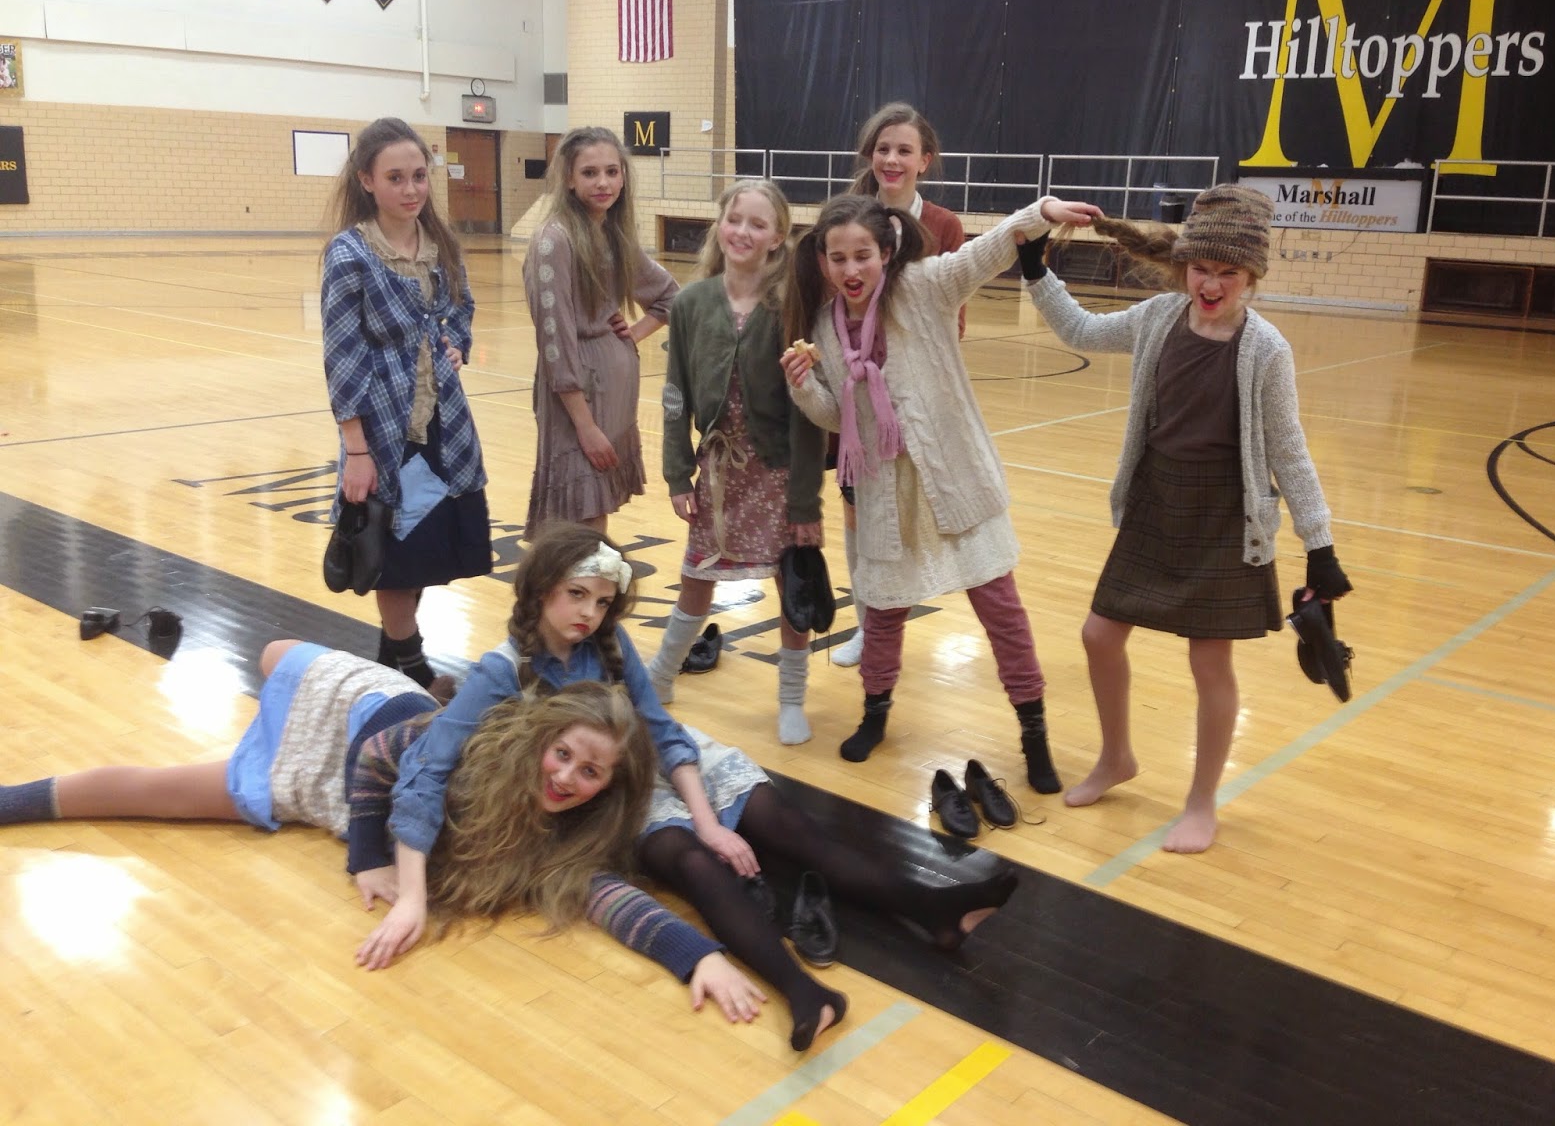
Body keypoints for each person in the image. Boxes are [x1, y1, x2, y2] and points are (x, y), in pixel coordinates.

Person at [387, 520, 1021, 1050]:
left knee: (782, 824)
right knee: (691, 862)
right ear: (539, 590)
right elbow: (425, 772)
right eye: (577, 595)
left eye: (602, 602)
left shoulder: (609, 643)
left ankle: (932, 906)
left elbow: (662, 730)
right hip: (600, 791)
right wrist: (411, 896)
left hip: (661, 760)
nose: (589, 613)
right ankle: (805, 991)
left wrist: (712, 819)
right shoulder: (500, 671)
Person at [0, 648, 765, 1020]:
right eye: (561, 753)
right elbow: (375, 758)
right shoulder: (471, 748)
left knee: (154, 793)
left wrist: (698, 957)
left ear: (608, 789)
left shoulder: (565, 845)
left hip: (318, 790)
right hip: (368, 718)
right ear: (540, 739)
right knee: (275, 656)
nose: (566, 776)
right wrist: (369, 862)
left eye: (589, 772)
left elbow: (613, 903)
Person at [1020, 184, 1353, 853]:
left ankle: (1202, 802)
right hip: (1156, 500)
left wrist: (1320, 548)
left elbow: (1289, 451)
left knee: (1210, 663)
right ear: (1183, 266)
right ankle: (1117, 757)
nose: (1211, 284)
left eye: (1228, 272)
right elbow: (1082, 331)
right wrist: (1035, 269)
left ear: (1252, 276)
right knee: (1098, 635)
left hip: (1225, 515)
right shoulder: (1159, 318)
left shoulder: (1265, 349)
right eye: (1201, 268)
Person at [780, 193, 1101, 793]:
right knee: (883, 612)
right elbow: (837, 416)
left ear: (886, 252)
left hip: (955, 479)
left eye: (863, 255)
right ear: (822, 261)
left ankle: (1034, 733)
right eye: (838, 258)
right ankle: (875, 714)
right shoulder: (823, 326)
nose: (851, 270)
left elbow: (987, 251)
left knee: (1002, 611)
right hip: (886, 493)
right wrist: (804, 388)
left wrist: (1039, 212)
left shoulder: (925, 286)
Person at [647, 180, 826, 744]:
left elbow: (807, 416)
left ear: (777, 238)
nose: (743, 232)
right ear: (719, 224)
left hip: (778, 474)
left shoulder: (790, 308)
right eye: (735, 219)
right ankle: (660, 678)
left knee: (790, 586)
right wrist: (678, 473)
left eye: (758, 224)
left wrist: (805, 502)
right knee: (695, 578)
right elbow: (674, 394)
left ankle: (791, 699)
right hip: (718, 474)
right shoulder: (691, 304)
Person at [321, 117, 493, 701]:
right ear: (367, 181)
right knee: (394, 550)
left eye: (419, 175)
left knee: (425, 545)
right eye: (395, 177)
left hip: (444, 420)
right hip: (384, 428)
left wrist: (456, 343)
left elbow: (461, 308)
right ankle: (411, 664)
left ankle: (390, 656)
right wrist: (357, 451)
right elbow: (342, 356)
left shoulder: (441, 244)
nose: (411, 188)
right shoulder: (350, 255)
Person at [829, 103, 970, 668]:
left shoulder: (943, 225)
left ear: (924, 160)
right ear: (870, 155)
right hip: (857, 400)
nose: (892, 159)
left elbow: (953, 315)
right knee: (860, 515)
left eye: (904, 150)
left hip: (915, 401)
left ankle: (888, 625)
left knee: (906, 518)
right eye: (883, 148)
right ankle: (868, 627)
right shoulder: (846, 214)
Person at [523, 126, 678, 536]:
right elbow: (555, 342)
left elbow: (670, 298)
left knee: (593, 513)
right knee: (577, 512)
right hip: (578, 398)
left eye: (612, 171)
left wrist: (634, 333)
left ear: (624, 176)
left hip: (614, 394)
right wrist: (584, 425)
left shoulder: (613, 234)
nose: (603, 182)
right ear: (569, 179)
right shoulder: (553, 241)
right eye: (590, 173)